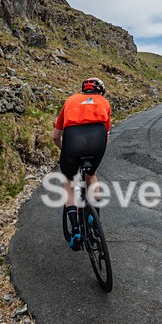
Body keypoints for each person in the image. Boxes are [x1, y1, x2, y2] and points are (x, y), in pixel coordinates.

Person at [53, 77, 111, 250]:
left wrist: (66, 152)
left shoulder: (70, 100)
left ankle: (76, 230)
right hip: (97, 141)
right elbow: (106, 135)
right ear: (100, 91)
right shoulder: (104, 102)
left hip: (72, 141)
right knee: (91, 176)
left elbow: (56, 136)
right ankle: (95, 223)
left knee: (69, 182)